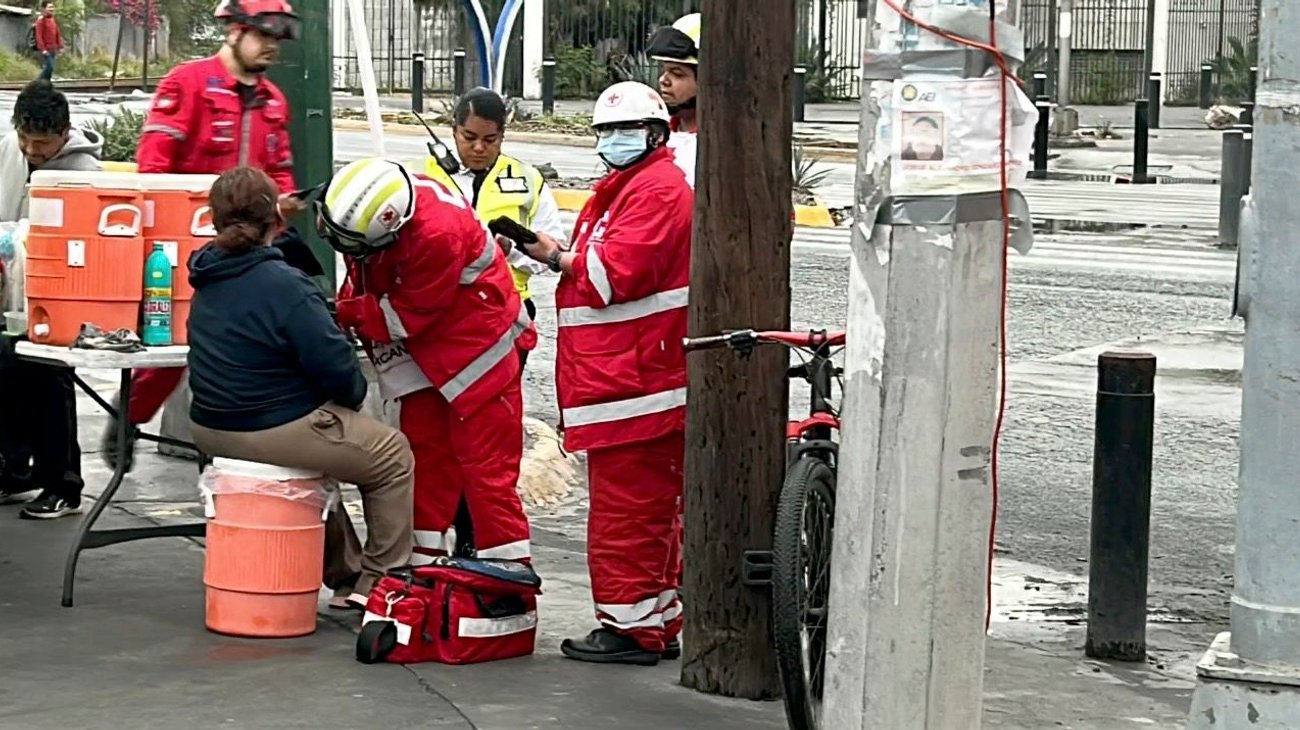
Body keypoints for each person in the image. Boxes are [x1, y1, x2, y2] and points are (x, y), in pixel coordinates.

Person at [517, 81, 692, 665]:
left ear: (657, 134)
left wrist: (553, 256)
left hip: (636, 384)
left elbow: (611, 276)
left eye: (626, 130)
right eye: (606, 131)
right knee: (647, 512)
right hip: (626, 379)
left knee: (627, 514)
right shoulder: (626, 187)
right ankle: (656, 620)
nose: (614, 140)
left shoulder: (656, 190)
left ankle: (629, 628)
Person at [185, 166, 415, 607]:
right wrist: (347, 402)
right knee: (389, 455)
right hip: (270, 428)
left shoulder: (206, 275)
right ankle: (381, 584)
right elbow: (338, 371)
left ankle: (346, 575)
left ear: (214, 220)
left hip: (209, 427)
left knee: (323, 454)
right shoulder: (286, 284)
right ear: (276, 218)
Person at [103, 0, 312, 472]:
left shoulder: (273, 101)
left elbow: (279, 170)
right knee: (174, 346)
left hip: (252, 252)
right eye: (263, 36)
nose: (272, 48)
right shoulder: (187, 83)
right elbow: (153, 170)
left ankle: (227, 460)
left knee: (249, 353)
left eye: (277, 39)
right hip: (187, 249)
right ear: (235, 31)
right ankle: (129, 417)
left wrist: (283, 204)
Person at [321, 158, 535, 566]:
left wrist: (346, 312)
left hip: (477, 355)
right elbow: (367, 274)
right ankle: (422, 568)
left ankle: (506, 576)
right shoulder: (378, 212)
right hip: (427, 352)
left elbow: (405, 317)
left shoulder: (437, 236)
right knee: (425, 460)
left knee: (486, 471)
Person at [0, 79, 103, 519]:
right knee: (7, 372)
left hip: (57, 291)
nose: (31, 149)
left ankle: (63, 483)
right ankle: (15, 470)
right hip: (9, 288)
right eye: (25, 138)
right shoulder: (10, 150)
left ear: (64, 134)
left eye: (41, 143)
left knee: (49, 379)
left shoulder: (84, 173)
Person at [421, 87, 568, 366]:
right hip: (438, 310)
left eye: (490, 139)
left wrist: (509, 251)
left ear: (503, 135)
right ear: (454, 130)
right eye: (469, 137)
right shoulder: (419, 175)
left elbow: (552, 253)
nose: (479, 148)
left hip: (506, 309)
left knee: (501, 392)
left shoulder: (528, 180)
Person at [646, 12, 700, 188]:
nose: (663, 80)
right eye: (664, 70)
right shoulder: (655, 134)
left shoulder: (725, 146)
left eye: (677, 74)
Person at [34, 3, 62, 82]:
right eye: (49, 7)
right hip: (45, 49)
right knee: (49, 67)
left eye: (52, 7)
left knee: (50, 69)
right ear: (44, 9)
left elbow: (57, 33)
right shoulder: (41, 20)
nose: (51, 9)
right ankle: (38, 82)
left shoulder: (52, 19)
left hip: (53, 48)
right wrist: (43, 49)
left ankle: (46, 83)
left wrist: (60, 46)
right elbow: (38, 36)